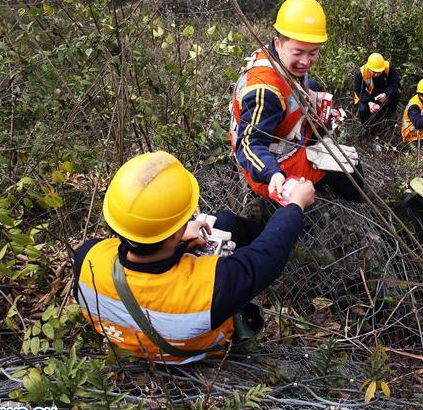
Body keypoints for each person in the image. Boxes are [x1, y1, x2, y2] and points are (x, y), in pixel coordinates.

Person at [74, 151, 316, 364]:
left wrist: (178, 239)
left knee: (225, 223)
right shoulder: (210, 288)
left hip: (131, 342)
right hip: (198, 351)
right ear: (174, 233)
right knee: (229, 224)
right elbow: (266, 256)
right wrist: (295, 205)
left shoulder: (87, 259)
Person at [229, 0, 364, 202]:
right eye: (298, 52)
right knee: (349, 165)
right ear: (279, 42)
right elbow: (249, 143)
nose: (305, 61)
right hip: (272, 169)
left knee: (314, 87)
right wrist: (273, 173)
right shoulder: (265, 91)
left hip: (284, 136)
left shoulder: (275, 55)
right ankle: (357, 200)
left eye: (313, 53)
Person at [353, 52, 401, 124]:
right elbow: (358, 90)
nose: (376, 74)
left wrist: (386, 94)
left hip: (382, 93)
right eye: (374, 72)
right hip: (367, 96)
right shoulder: (360, 73)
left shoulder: (388, 68)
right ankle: (367, 126)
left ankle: (388, 115)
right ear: (369, 68)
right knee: (363, 110)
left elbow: (395, 83)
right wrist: (369, 102)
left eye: (379, 72)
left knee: (395, 95)